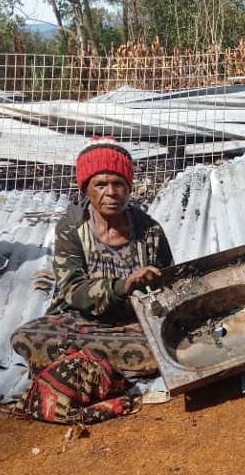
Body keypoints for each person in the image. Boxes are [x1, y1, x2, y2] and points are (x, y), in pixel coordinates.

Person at [11, 139, 174, 377]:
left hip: (134, 322)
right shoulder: (71, 228)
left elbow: (168, 285)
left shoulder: (149, 230)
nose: (111, 192)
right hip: (81, 321)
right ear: (85, 189)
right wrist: (124, 285)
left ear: (129, 188)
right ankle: (121, 364)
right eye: (100, 184)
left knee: (165, 340)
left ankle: (87, 364)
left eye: (118, 184)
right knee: (25, 336)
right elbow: (73, 290)